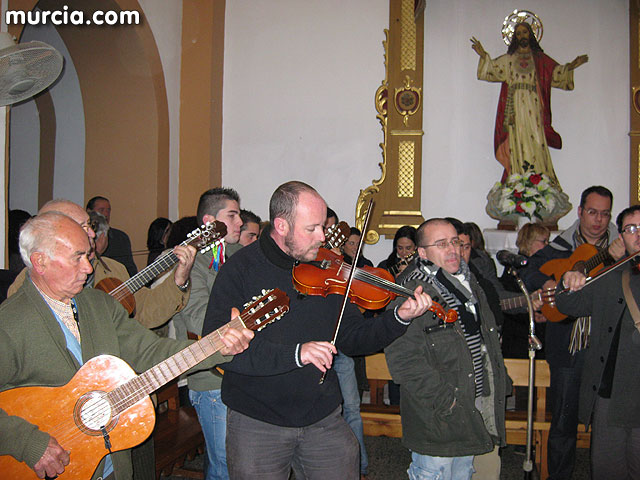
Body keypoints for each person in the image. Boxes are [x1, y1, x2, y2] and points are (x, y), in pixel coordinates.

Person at [202, 181, 432, 479]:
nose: (323, 237)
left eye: (322, 226)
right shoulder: (240, 270)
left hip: (321, 416)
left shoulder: (327, 268)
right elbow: (222, 351)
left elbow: (352, 337)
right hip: (257, 421)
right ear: (281, 225)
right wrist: (297, 354)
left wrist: (398, 318)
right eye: (312, 229)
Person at [0, 212, 253, 480]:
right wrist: (29, 444)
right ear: (40, 262)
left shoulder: (97, 305)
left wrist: (218, 346)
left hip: (111, 464)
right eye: (77, 257)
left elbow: (150, 352)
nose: (88, 268)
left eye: (88, 256)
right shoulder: (10, 322)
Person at [385, 218, 507, 480]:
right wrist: (446, 402)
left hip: (469, 404)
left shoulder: (468, 282)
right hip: (438, 414)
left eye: (455, 242)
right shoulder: (410, 291)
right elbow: (403, 360)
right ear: (422, 252)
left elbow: (487, 341)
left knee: (464, 474)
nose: (453, 249)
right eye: (441, 244)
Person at [520, 186, 626, 479]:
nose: (598, 220)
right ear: (580, 212)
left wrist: (616, 259)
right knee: (563, 422)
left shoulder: (623, 247)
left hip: (607, 348)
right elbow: (530, 272)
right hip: (567, 346)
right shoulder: (559, 248)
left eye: (605, 214)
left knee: (607, 425)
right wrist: (549, 283)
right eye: (592, 212)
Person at [9, 200, 191, 330]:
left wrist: (179, 279)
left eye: (90, 226)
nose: (92, 234)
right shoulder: (30, 281)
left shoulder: (113, 269)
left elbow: (145, 311)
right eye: (82, 226)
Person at [558, 205, 640, 479]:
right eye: (631, 229)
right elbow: (569, 303)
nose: (638, 235)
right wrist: (569, 279)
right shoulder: (613, 274)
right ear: (622, 237)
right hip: (611, 392)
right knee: (608, 469)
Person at [170, 187, 243, 480]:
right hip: (211, 377)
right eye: (232, 215)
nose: (239, 222)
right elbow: (201, 320)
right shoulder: (192, 263)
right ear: (210, 222)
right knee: (224, 463)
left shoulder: (239, 255)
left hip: (241, 371)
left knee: (242, 458)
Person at [472, 21, 588, 183]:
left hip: (534, 109)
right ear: (515, 38)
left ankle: (539, 177)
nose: (522, 36)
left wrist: (572, 66)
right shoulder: (509, 59)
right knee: (517, 140)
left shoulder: (540, 60)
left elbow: (556, 74)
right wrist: (484, 55)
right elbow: (492, 70)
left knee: (536, 140)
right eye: (518, 34)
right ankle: (517, 177)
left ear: (531, 35)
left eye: (524, 33)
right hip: (515, 110)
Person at [500, 222, 550, 359]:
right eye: (543, 241)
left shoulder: (544, 266)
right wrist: (532, 314)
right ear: (529, 242)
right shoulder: (514, 267)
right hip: (519, 335)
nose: (547, 245)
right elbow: (507, 304)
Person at [87, 196, 138, 276]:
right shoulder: (82, 236)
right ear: (89, 211)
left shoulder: (120, 237)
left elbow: (130, 270)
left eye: (108, 210)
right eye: (101, 210)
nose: (106, 214)